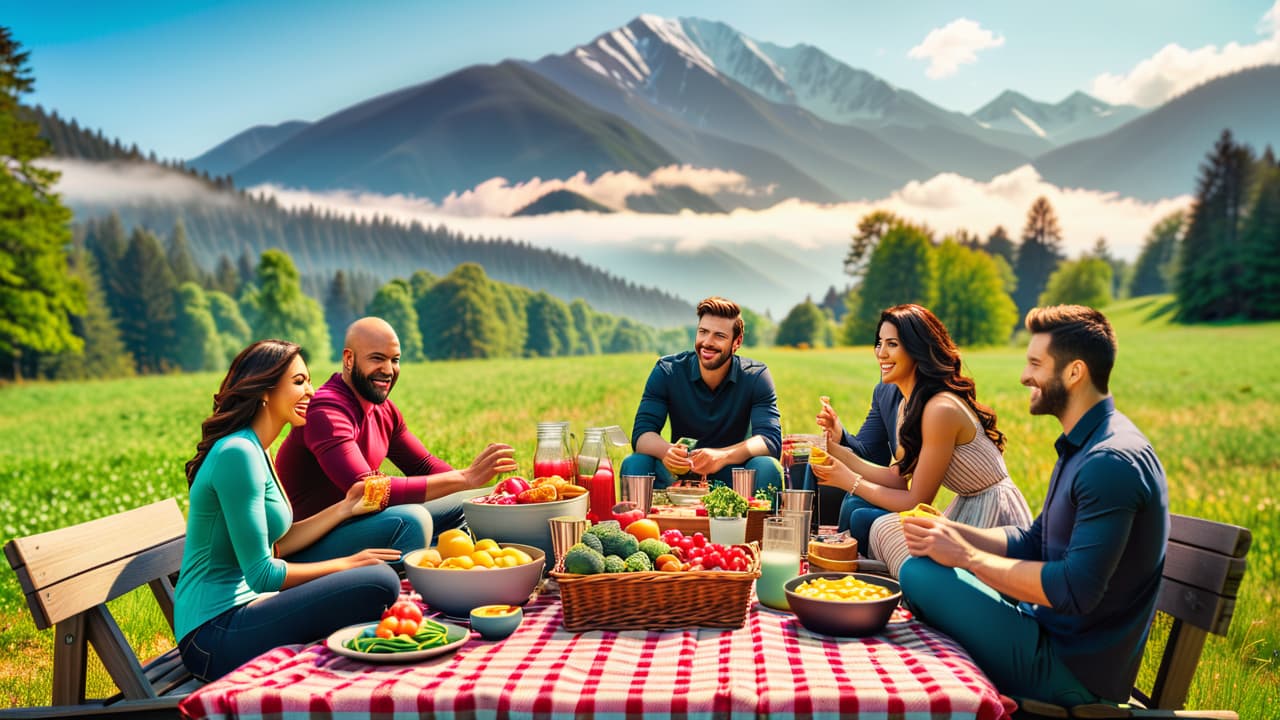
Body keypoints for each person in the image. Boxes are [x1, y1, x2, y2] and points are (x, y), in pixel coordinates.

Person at [898, 305, 1169, 706]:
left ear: (1074, 372)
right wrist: (953, 532)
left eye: (1036, 364)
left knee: (920, 574)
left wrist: (967, 556)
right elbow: (1032, 539)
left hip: (1072, 675)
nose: (1026, 376)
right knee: (924, 566)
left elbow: (1074, 590)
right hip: (1046, 637)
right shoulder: (1087, 443)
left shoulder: (1109, 462)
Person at [174, 339, 403, 682]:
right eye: (299, 382)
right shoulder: (238, 453)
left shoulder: (256, 448)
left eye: (309, 380)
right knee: (379, 580)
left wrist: (344, 509)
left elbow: (278, 543)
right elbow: (262, 574)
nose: (311, 391)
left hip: (244, 610)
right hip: (213, 635)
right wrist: (347, 564)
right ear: (265, 390)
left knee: (383, 568)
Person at [811, 304, 1031, 576]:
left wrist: (849, 481)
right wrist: (835, 451)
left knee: (880, 526)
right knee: (875, 523)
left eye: (892, 344)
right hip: (965, 506)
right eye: (879, 343)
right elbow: (897, 476)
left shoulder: (940, 409)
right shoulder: (910, 405)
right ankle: (843, 569)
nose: (881, 353)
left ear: (917, 349)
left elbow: (916, 499)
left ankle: (854, 573)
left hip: (994, 515)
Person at [276, 317, 517, 540]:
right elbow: (368, 491)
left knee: (469, 501)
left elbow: (424, 466)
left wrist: (479, 491)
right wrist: (465, 478)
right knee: (414, 518)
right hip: (312, 541)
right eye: (377, 358)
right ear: (349, 359)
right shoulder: (326, 411)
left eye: (395, 360)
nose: (389, 370)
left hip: (356, 525)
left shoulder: (385, 410)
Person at [620, 296, 783, 492]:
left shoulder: (756, 376)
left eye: (719, 336)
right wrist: (668, 452)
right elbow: (641, 434)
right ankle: (637, 522)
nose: (707, 342)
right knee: (635, 463)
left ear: (736, 342)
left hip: (735, 477)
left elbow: (770, 440)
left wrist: (721, 456)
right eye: (703, 332)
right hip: (678, 475)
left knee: (767, 466)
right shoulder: (667, 371)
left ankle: (755, 524)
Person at [812, 382, 901, 542]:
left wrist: (852, 482)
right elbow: (869, 454)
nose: (881, 355)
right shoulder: (885, 391)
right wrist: (838, 436)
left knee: (853, 504)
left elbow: (909, 487)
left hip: (913, 497)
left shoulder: (932, 404)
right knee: (817, 481)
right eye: (876, 353)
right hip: (897, 484)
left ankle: (838, 553)